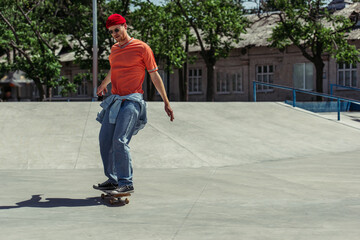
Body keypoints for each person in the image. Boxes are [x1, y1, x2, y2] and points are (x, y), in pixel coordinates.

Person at [93, 14, 174, 193]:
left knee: (120, 141)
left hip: (132, 101)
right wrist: (103, 84)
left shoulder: (142, 47)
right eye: (111, 32)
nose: (115, 34)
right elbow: (114, 70)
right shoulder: (114, 50)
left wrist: (166, 102)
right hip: (115, 100)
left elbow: (154, 74)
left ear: (125, 26)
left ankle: (126, 182)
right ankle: (113, 180)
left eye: (117, 29)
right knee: (105, 140)